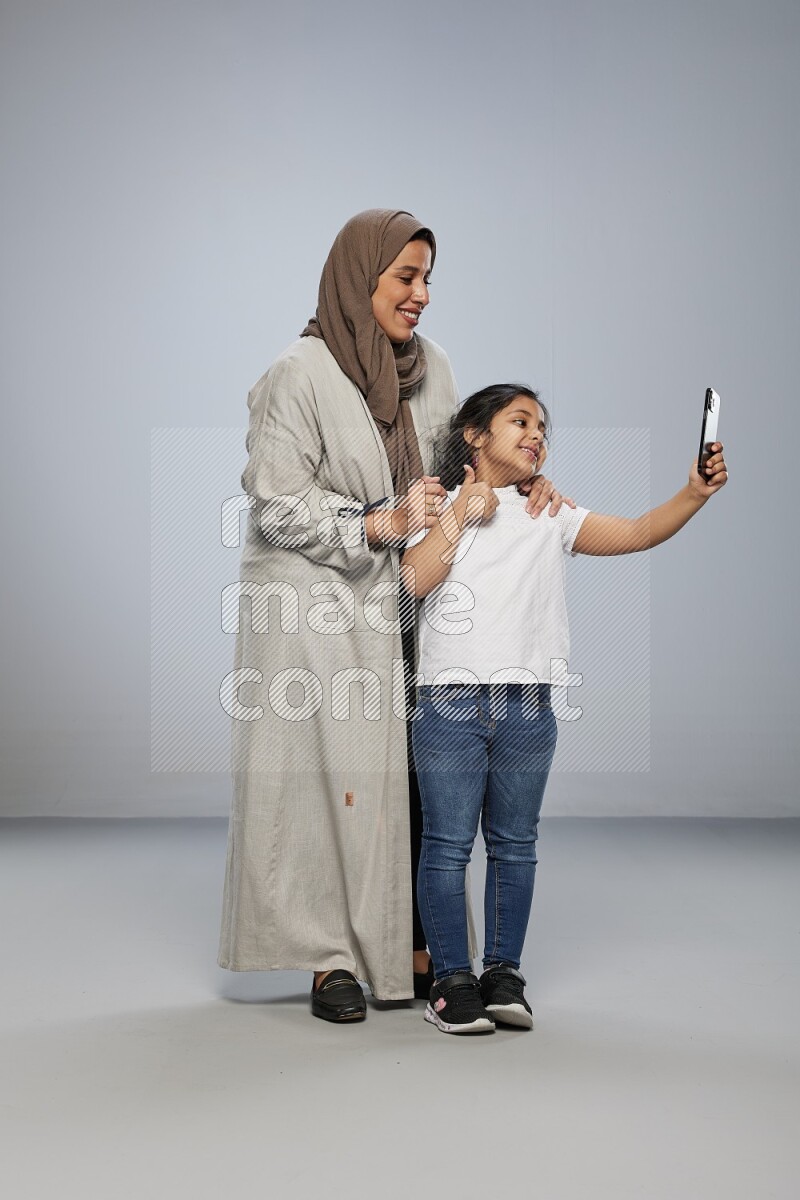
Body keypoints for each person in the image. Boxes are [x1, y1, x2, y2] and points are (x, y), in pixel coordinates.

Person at [218, 213, 571, 1021]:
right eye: (405, 278)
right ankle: (327, 958)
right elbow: (275, 501)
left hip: (406, 596)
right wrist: (375, 523)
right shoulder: (297, 373)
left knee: (410, 776)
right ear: (360, 279)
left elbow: (461, 465)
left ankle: (410, 944)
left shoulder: (433, 368)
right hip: (311, 604)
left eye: (426, 280)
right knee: (324, 781)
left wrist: (526, 486)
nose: (420, 296)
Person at [401, 383, 729, 1034]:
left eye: (543, 427)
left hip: (529, 707)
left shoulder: (551, 513)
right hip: (449, 703)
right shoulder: (442, 505)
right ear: (475, 434)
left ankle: (502, 974)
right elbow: (413, 580)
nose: (536, 435)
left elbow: (635, 532)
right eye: (519, 421)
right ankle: (450, 982)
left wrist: (693, 493)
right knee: (446, 847)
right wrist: (461, 514)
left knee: (516, 846)